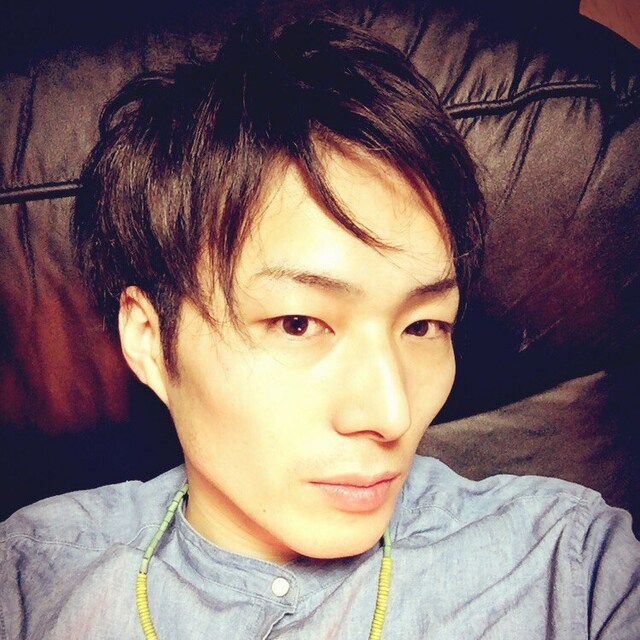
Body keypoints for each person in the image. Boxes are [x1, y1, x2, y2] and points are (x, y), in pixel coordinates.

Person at [1, 17, 638, 640]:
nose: (390, 414)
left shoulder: (569, 570)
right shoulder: (31, 583)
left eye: (423, 326)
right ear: (148, 338)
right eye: (299, 323)